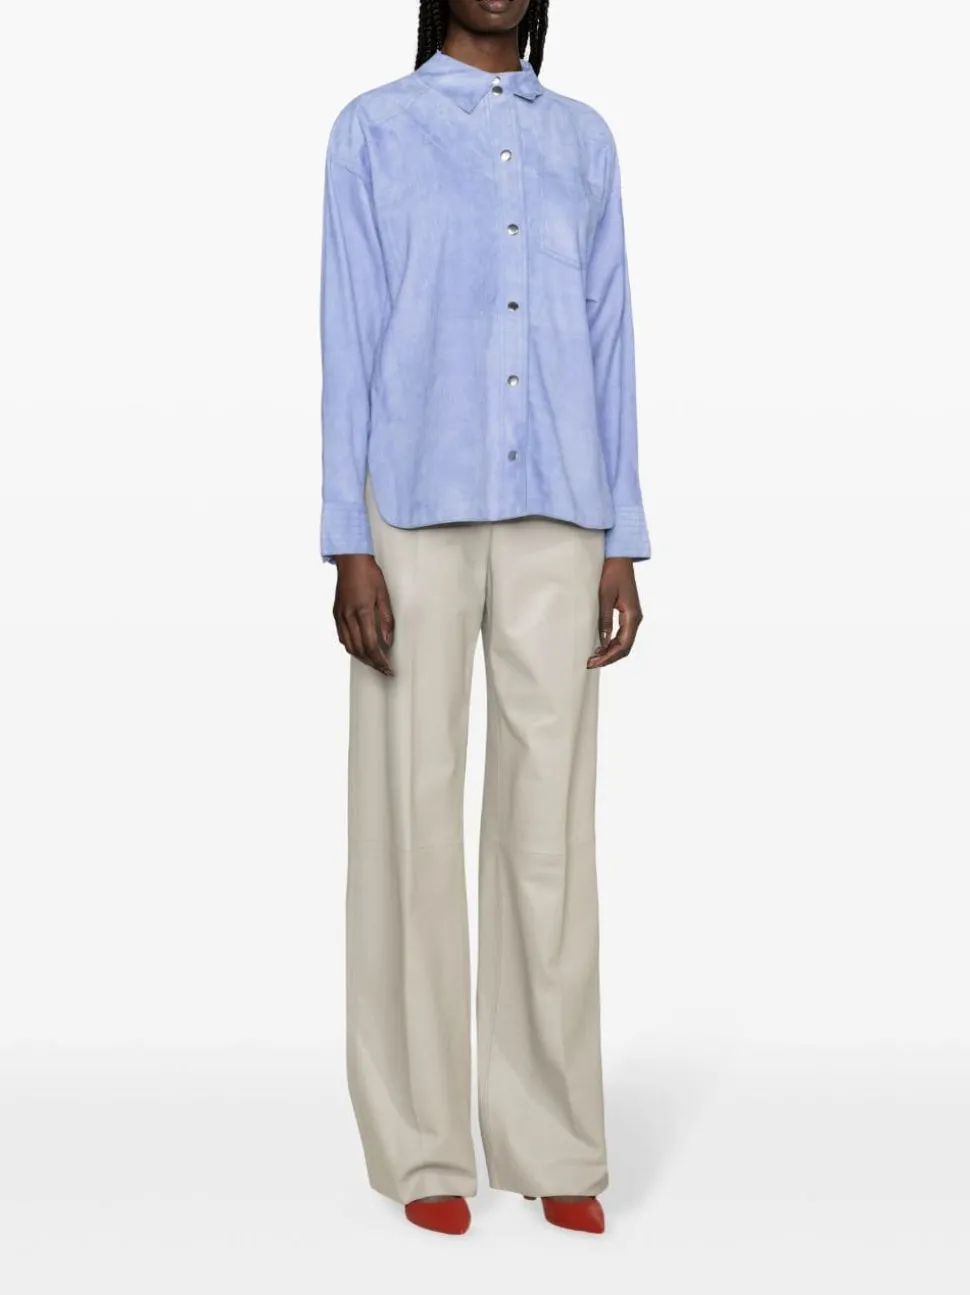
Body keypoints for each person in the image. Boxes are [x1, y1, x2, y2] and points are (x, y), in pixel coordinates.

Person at [319, 0, 650, 1235]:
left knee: (548, 829)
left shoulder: (582, 140)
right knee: (408, 819)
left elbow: (611, 335)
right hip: (410, 507)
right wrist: (345, 537)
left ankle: (551, 1135)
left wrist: (622, 533)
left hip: (563, 508)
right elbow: (346, 334)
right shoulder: (374, 132)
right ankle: (422, 1149)